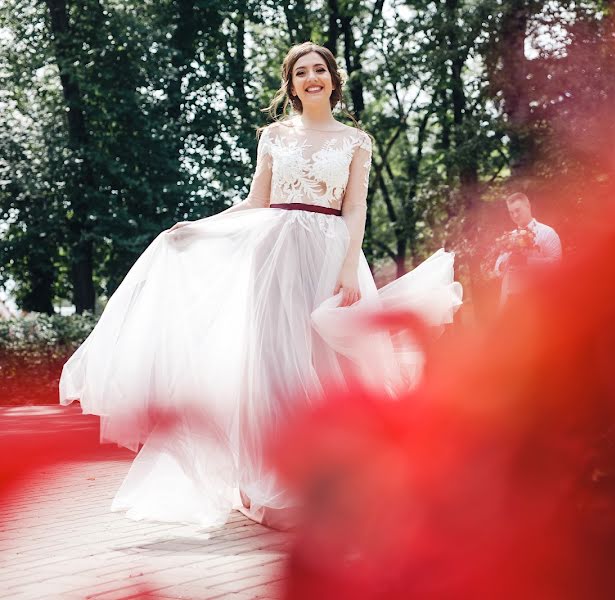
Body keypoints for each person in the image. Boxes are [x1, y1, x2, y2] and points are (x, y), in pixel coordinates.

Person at [59, 42, 462, 530]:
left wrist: (346, 265)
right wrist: (199, 227)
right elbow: (256, 201)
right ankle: (276, 482)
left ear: (333, 79)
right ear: (290, 85)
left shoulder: (357, 141)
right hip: (274, 255)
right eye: (301, 73)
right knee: (271, 365)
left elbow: (355, 207)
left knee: (326, 365)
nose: (311, 78)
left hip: (330, 253)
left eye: (319, 70)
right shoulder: (273, 136)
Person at [493, 192, 562, 305]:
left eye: (518, 210)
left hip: (543, 298)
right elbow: (497, 269)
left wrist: (527, 261)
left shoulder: (547, 232)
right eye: (511, 212)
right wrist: (506, 262)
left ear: (528, 206)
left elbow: (556, 263)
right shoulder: (509, 237)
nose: (515, 215)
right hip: (514, 300)